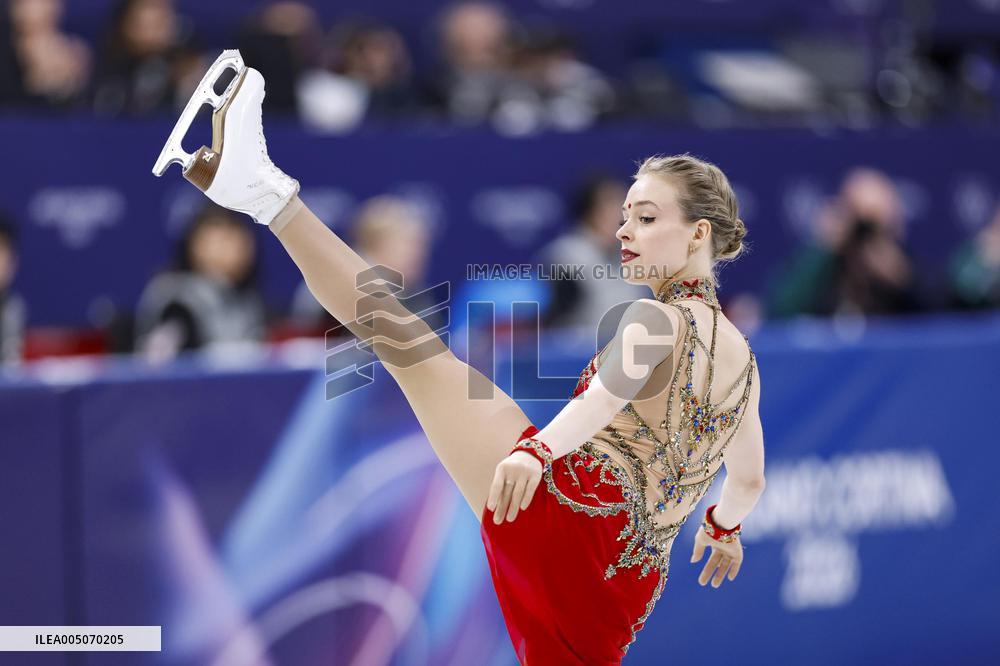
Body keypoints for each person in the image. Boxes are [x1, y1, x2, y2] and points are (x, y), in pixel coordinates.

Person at [154, 55, 766, 664]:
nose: (624, 231)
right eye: (626, 216)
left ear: (699, 234)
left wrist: (536, 452)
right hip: (628, 589)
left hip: (573, 515)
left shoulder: (657, 319)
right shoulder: (743, 361)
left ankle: (262, 193)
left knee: (404, 343)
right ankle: (255, 188)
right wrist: (724, 529)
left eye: (647, 218)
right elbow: (747, 481)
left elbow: (604, 397)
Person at [134, 204, 266, 361]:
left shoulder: (250, 299)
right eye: (222, 239)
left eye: (240, 239)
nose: (233, 247)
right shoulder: (175, 296)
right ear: (194, 244)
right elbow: (158, 356)